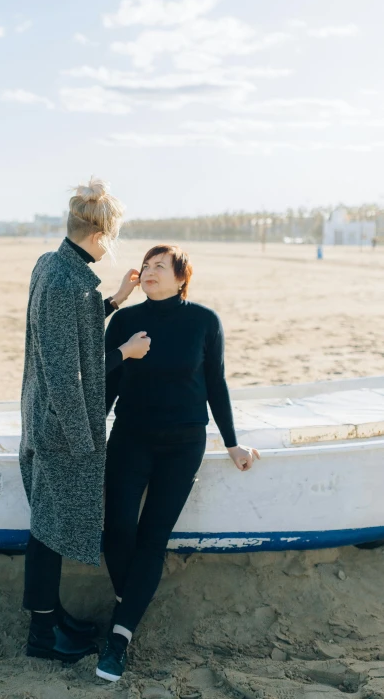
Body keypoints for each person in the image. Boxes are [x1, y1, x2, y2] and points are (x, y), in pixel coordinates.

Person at [97, 244, 260, 682]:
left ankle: (120, 638)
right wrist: (93, 435)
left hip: (183, 444)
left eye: (159, 266)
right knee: (115, 531)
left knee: (153, 538)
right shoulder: (126, 322)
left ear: (181, 277)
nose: (149, 272)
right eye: (145, 266)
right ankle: (129, 600)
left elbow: (215, 384)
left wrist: (232, 444)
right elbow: (108, 384)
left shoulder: (204, 322)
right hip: (129, 438)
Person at [19, 179, 151, 663]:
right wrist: (124, 352)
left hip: (49, 418)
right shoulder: (62, 281)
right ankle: (42, 635)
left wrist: (114, 301)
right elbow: (63, 367)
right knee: (47, 531)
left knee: (49, 525)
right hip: (60, 426)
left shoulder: (55, 267)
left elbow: (68, 333)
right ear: (101, 234)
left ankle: (53, 619)